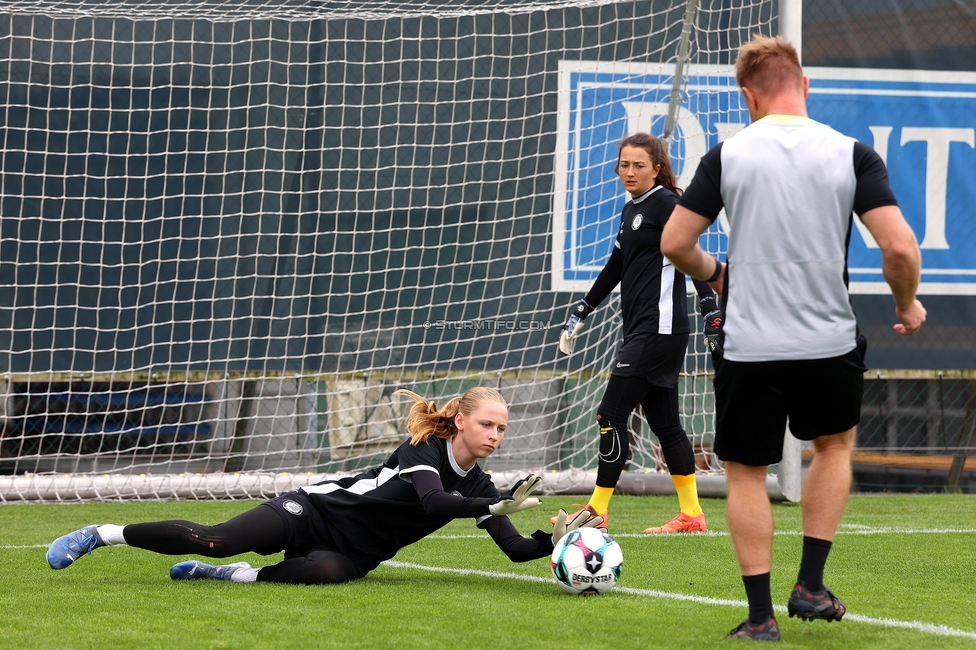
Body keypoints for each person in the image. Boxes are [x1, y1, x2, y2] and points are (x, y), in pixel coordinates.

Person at [660, 35, 926, 641]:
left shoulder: (728, 156)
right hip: (828, 341)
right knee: (833, 448)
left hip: (750, 343)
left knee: (748, 473)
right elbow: (900, 247)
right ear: (804, 86)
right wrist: (907, 304)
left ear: (748, 97)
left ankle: (760, 619)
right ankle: (810, 584)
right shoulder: (851, 153)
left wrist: (718, 275)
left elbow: (674, 244)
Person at [46, 387, 602, 584]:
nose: (496, 436)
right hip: (314, 510)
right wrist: (495, 501)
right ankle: (103, 532)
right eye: (488, 424)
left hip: (355, 552)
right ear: (460, 420)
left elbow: (512, 549)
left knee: (327, 574)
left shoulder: (480, 485)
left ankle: (230, 577)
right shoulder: (422, 452)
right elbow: (435, 500)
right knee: (214, 535)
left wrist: (553, 540)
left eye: (503, 429)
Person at [557, 132, 723, 535]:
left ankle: (596, 509)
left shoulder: (667, 203)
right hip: (648, 331)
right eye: (624, 164)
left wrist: (709, 306)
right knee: (666, 426)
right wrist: (582, 310)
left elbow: (690, 253)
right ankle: (692, 515)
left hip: (658, 330)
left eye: (639, 165)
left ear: (658, 169)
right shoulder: (631, 209)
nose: (629, 172)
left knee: (610, 414)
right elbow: (615, 266)